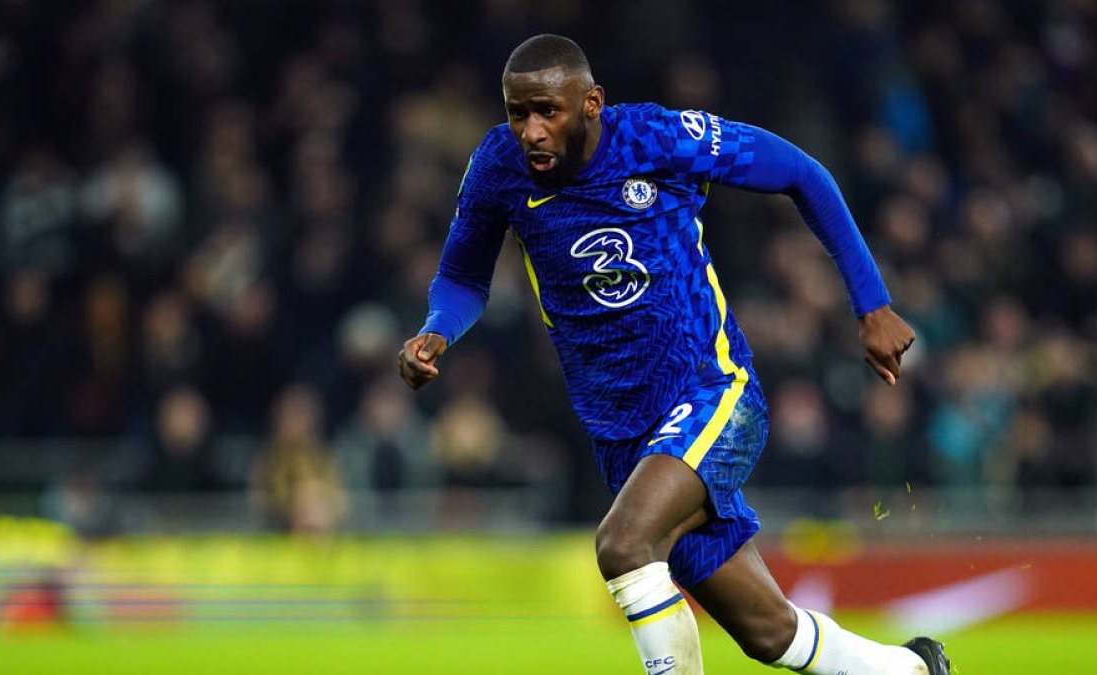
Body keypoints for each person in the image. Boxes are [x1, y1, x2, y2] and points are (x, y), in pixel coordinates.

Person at [397, 34, 948, 675]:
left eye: (548, 110)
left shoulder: (660, 139)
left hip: (711, 393)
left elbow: (803, 173)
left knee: (624, 545)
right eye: (518, 113)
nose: (531, 131)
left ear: (592, 103)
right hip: (623, 432)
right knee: (768, 632)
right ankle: (912, 671)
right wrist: (436, 331)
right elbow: (464, 277)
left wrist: (871, 303)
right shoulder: (497, 166)